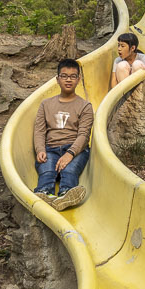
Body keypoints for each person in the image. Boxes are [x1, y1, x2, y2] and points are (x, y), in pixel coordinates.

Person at [33, 58, 93, 211]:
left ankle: (66, 193)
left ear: (78, 79)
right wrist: (40, 149)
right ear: (57, 79)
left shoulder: (85, 106)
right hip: (51, 148)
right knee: (47, 170)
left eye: (73, 76)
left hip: (76, 149)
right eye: (64, 76)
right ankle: (45, 193)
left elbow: (84, 135)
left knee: (69, 170)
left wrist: (70, 154)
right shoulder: (46, 104)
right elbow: (39, 130)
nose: (68, 80)